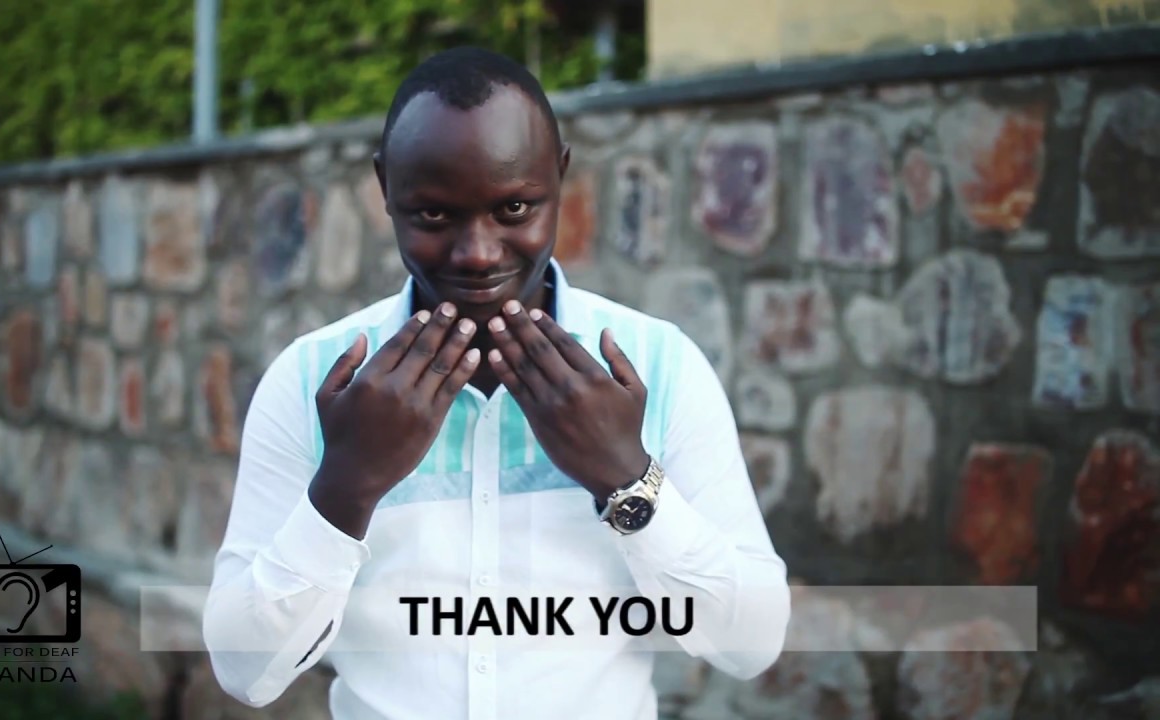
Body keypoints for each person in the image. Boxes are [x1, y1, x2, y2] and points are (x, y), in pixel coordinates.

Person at [202, 46, 790, 719]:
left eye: (514, 208)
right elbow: (246, 673)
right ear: (385, 188)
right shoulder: (316, 381)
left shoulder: (659, 366)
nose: (477, 252)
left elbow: (751, 645)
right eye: (433, 215)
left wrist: (627, 481)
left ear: (560, 176)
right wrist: (348, 486)